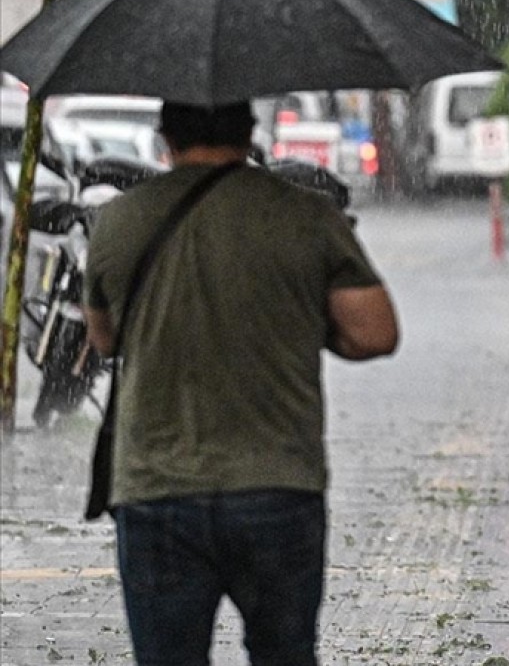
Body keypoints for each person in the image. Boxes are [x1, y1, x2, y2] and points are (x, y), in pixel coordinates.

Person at [83, 102, 399, 664]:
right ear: (249, 133)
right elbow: (374, 333)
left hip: (157, 489)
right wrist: (297, 317)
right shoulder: (307, 215)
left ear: (166, 138)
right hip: (276, 484)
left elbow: (105, 340)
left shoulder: (119, 220)